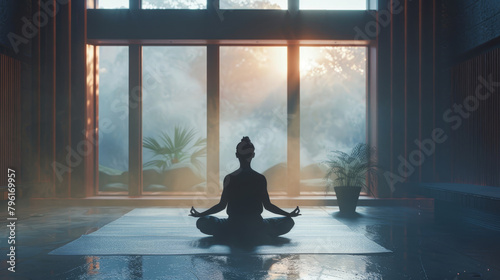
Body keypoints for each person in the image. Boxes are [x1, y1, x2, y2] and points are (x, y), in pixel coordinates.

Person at [189, 136, 300, 239]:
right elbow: (268, 206)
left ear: (237, 155)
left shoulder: (230, 178)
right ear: (253, 155)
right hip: (257, 226)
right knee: (288, 222)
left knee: (203, 221)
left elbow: (221, 206)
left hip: (232, 226)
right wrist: (288, 214)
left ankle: (230, 233)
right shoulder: (259, 178)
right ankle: (259, 233)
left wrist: (201, 214)